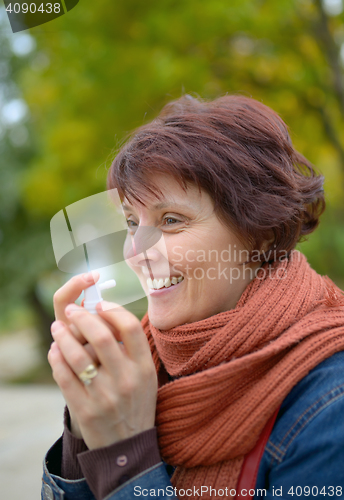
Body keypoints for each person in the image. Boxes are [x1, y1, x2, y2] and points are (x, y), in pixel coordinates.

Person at [42, 95, 344, 500]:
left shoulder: (331, 405)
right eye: (132, 222)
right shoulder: (142, 366)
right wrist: (86, 425)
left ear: (262, 232)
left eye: (170, 220)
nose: (135, 252)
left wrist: (123, 457)